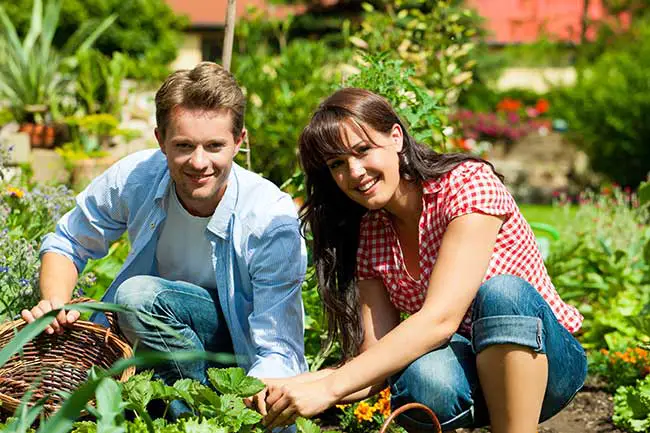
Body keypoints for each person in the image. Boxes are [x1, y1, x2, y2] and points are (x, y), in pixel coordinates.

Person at [260, 88, 586, 433]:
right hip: (472, 375)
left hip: (548, 365)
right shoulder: (371, 231)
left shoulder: (466, 185)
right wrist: (295, 386)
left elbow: (440, 319)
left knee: (503, 293)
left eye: (362, 150)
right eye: (337, 164)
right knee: (421, 376)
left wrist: (327, 390)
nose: (354, 172)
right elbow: (375, 358)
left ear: (396, 137)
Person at [20, 62, 308, 416]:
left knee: (138, 297)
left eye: (214, 146)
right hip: (157, 334)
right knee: (136, 313)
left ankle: (194, 412)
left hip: (235, 345)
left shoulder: (269, 218)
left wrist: (256, 402)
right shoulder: (135, 178)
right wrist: (55, 304)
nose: (199, 162)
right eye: (184, 145)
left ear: (238, 141)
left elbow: (278, 343)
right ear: (160, 140)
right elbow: (68, 242)